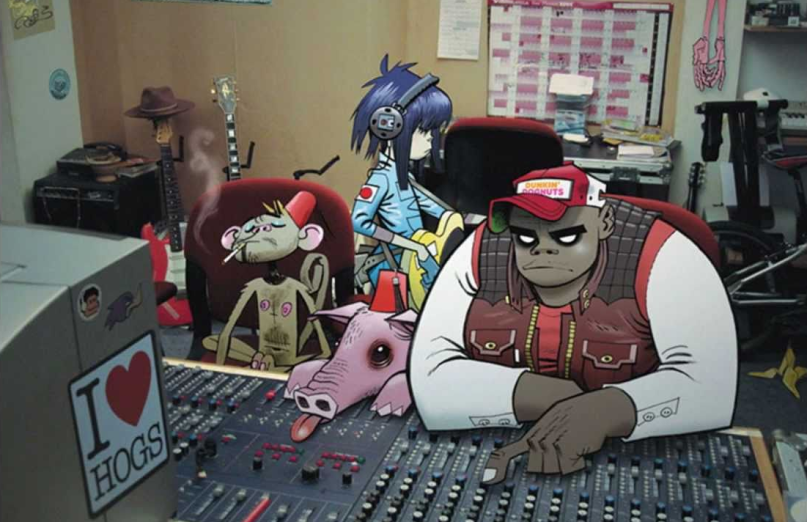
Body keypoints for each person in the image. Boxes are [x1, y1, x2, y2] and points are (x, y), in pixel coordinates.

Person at [409, 163, 738, 483]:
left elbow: (712, 387)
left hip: (641, 452)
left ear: (604, 222)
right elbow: (428, 377)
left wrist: (607, 411)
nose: (542, 250)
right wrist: (554, 397)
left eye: (566, 236)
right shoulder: (479, 251)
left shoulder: (665, 253)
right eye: (525, 238)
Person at [350, 55, 454, 290]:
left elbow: (433, 206)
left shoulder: (404, 178)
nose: (431, 140)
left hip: (413, 263)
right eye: (424, 131)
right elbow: (358, 221)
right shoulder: (380, 180)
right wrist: (413, 246)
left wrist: (457, 218)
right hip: (392, 270)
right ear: (390, 127)